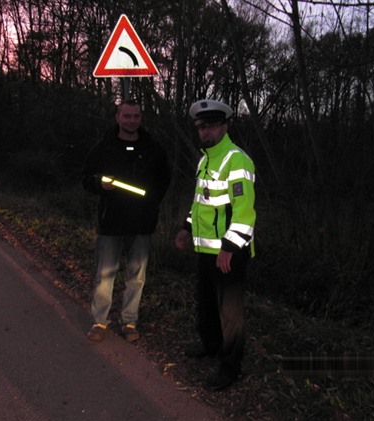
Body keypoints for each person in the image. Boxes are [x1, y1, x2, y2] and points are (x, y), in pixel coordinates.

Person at [174, 99, 256, 391]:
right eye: (201, 128)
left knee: (230, 313)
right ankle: (211, 347)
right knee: (207, 303)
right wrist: (186, 228)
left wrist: (230, 248)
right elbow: (201, 203)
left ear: (225, 126)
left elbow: (245, 212)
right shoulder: (205, 159)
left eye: (211, 126)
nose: (206, 132)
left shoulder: (237, 159)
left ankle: (230, 368)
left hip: (228, 253)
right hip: (206, 250)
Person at [81, 99, 170, 342]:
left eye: (136, 116)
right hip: (111, 223)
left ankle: (129, 322)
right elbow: (86, 178)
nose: (132, 120)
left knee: (137, 277)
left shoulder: (153, 149)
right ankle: (100, 322)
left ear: (141, 118)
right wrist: (100, 183)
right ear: (117, 117)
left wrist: (151, 202)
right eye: (127, 116)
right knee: (104, 276)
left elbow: (164, 180)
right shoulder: (103, 147)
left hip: (142, 224)